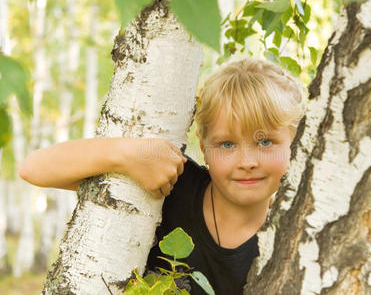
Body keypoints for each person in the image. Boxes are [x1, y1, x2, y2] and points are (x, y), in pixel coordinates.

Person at [19, 58, 304, 294]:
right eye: (227, 145)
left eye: (265, 142)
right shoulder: (174, 183)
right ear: (204, 148)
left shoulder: (295, 243)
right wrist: (126, 155)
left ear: (296, 145)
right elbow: (34, 168)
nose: (247, 162)